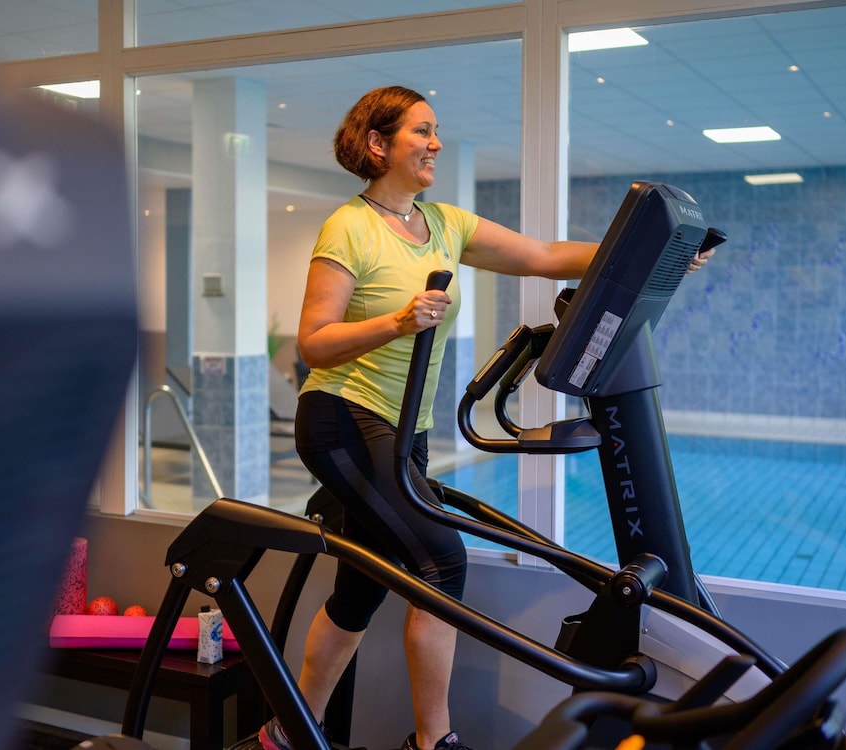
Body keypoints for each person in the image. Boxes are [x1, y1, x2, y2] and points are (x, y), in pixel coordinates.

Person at [258, 85, 714, 750]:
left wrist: (652, 254)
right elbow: (314, 342)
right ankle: (433, 741)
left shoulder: (443, 223)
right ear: (378, 144)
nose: (436, 143)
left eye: (435, 130)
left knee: (359, 591)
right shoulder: (348, 227)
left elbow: (542, 256)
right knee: (442, 562)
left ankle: (287, 732)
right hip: (343, 417)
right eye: (421, 131)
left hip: (403, 430)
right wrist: (397, 321)